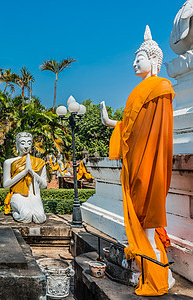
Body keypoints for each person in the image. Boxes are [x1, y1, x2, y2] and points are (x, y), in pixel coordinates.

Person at [101, 26, 175, 295]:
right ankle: (153, 270)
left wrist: (149, 158)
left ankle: (158, 274)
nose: (134, 63)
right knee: (141, 222)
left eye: (139, 58)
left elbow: (155, 130)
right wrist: (113, 123)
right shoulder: (140, 90)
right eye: (133, 59)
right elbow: (132, 127)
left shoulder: (160, 87)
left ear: (154, 61)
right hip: (135, 161)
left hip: (149, 159)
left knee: (148, 219)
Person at [3, 132, 47, 223]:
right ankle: (15, 213)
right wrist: (24, 172)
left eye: (29, 143)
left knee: (40, 218)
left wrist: (33, 173)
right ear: (17, 144)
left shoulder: (39, 162)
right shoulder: (9, 162)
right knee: (25, 217)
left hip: (34, 195)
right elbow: (6, 185)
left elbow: (44, 185)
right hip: (19, 195)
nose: (26, 146)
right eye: (22, 143)